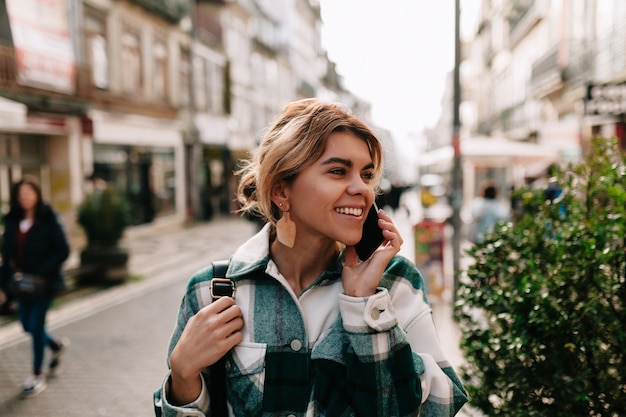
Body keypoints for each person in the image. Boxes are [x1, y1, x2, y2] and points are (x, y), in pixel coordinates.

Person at [154, 99, 468, 416]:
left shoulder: (394, 281)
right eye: (338, 171)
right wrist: (182, 375)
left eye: (367, 174)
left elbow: (439, 408)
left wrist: (365, 305)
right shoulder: (213, 291)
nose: (363, 188)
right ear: (281, 192)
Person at [0, 176, 71, 397]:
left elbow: (63, 250)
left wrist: (41, 272)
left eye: (29, 193)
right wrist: (2, 285)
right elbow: (7, 256)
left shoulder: (49, 219)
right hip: (22, 285)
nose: (25, 197)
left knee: (36, 325)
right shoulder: (12, 221)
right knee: (27, 325)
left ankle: (37, 375)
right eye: (21, 194)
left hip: (44, 284)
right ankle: (56, 345)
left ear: (37, 194)